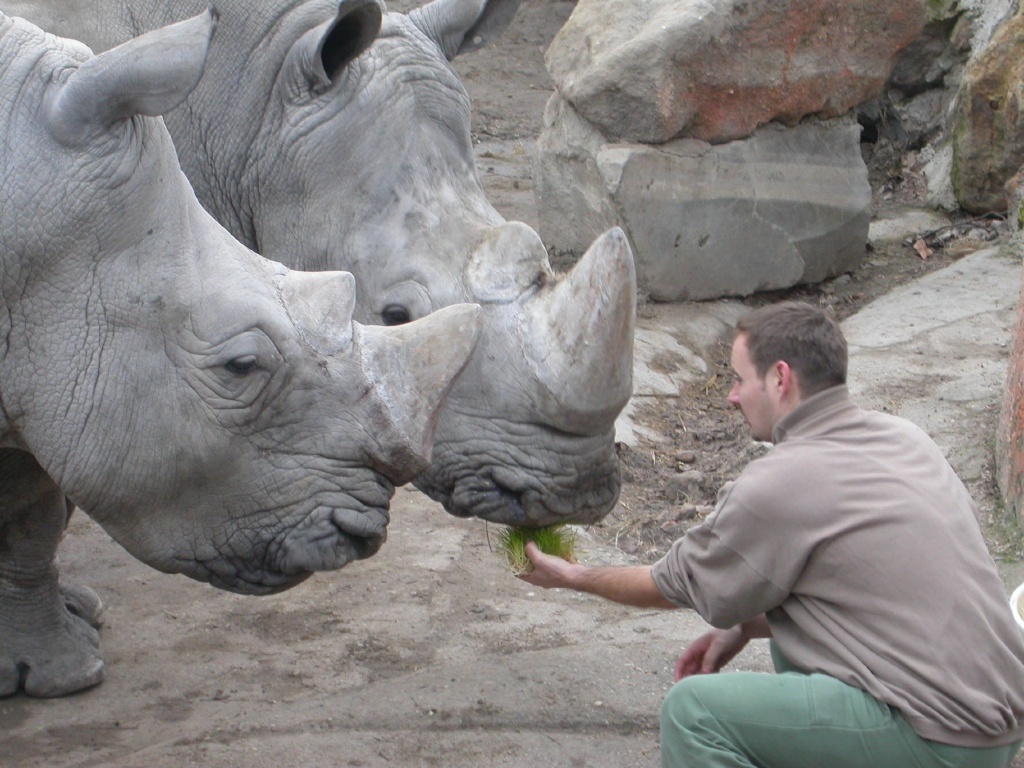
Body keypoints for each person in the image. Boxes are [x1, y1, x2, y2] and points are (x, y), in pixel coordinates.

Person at [520, 301, 1024, 768]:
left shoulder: (781, 481)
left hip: (937, 739)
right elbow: (869, 591)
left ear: (780, 378)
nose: (732, 395)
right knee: (790, 642)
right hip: (997, 725)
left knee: (693, 713)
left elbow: (669, 583)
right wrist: (743, 626)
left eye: (740, 379)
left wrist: (574, 576)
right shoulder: (904, 437)